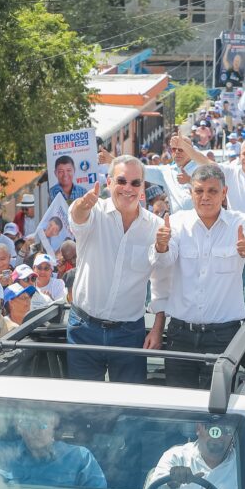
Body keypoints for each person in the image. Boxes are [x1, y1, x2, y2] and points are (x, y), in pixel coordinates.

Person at [155, 164, 245, 389]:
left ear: (224, 193)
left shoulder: (239, 222)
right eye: (199, 191)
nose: (205, 197)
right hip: (180, 335)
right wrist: (160, 246)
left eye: (212, 191)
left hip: (224, 337)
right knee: (179, 407)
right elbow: (163, 262)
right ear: (190, 193)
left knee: (217, 410)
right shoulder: (177, 222)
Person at [67, 157, 167, 383]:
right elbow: (77, 219)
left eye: (135, 183)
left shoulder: (156, 228)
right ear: (109, 183)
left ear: (142, 188)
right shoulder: (94, 211)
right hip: (84, 330)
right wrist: (82, 206)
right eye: (122, 181)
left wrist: (158, 328)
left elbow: (162, 281)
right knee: (84, 408)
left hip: (129, 334)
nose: (128, 188)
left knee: (127, 411)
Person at [0, 407, 106, 488]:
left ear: (55, 422)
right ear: (18, 427)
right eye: (27, 424)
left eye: (42, 425)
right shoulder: (0, 453)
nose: (34, 431)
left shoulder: (80, 458)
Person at [146, 416, 242, 489]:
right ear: (198, 428)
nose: (218, 435)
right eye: (210, 427)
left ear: (234, 434)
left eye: (226, 429)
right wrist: (172, 484)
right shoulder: (175, 457)